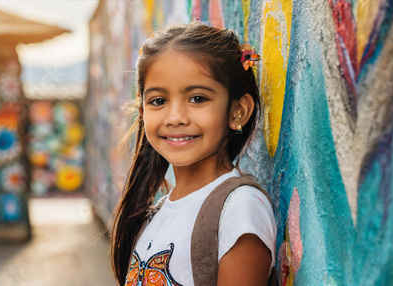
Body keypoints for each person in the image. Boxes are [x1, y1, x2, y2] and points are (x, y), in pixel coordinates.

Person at [110, 21, 276, 286]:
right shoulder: (156, 212)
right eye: (158, 101)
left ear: (238, 111)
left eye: (198, 98)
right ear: (143, 112)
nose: (175, 118)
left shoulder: (239, 210)